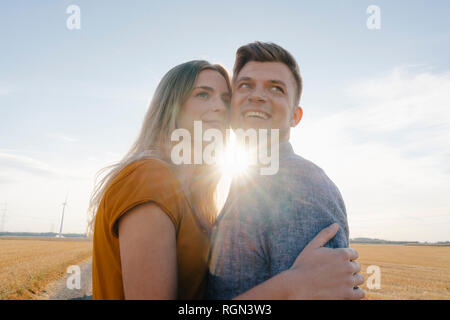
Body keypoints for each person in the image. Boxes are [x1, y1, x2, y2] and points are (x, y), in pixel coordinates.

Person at [89, 59, 364, 300]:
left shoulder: (195, 196)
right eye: (203, 94)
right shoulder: (149, 177)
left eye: (224, 98)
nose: (220, 107)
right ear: (170, 107)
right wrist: (291, 286)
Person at [206, 42, 365, 299]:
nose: (257, 95)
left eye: (276, 88)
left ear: (295, 116)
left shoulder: (302, 186)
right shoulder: (244, 180)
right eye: (245, 85)